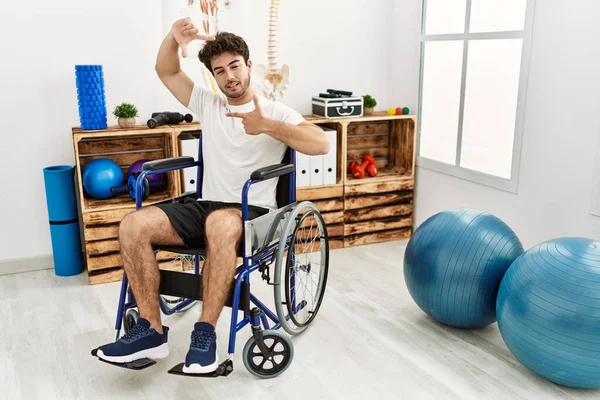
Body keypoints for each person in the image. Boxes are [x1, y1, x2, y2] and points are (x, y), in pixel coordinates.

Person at [95, 18, 330, 374]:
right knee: (133, 225)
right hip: (205, 205)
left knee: (221, 223)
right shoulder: (209, 103)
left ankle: (204, 333)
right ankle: (151, 330)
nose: (229, 76)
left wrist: (267, 125)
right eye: (219, 71)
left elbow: (321, 143)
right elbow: (166, 70)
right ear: (213, 77)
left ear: (249, 66)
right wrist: (173, 38)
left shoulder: (277, 112)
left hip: (253, 212)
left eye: (235, 66)